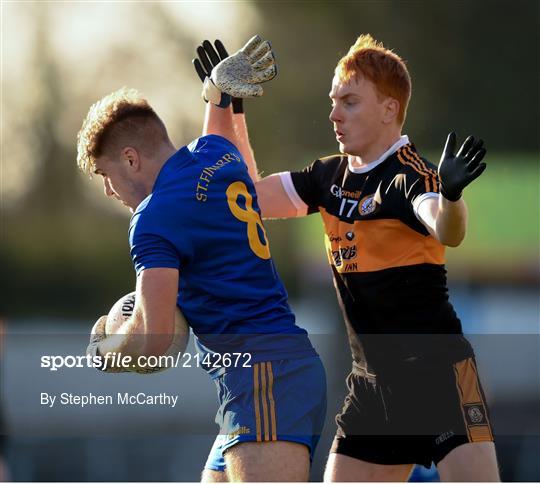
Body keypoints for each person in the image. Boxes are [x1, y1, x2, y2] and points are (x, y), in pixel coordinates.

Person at [198, 34, 499, 481]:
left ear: (389, 109)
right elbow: (243, 198)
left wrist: (452, 196)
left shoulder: (408, 175)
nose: (334, 113)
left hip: (438, 377)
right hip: (372, 388)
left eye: (350, 102)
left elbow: (445, 228)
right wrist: (224, 101)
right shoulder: (327, 177)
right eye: (333, 100)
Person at [77, 36, 326, 483]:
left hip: (262, 379)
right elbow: (244, 174)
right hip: (269, 373)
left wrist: (109, 348)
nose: (109, 191)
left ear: (130, 159)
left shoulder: (153, 219)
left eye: (105, 175)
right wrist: (220, 97)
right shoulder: (213, 152)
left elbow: (155, 342)